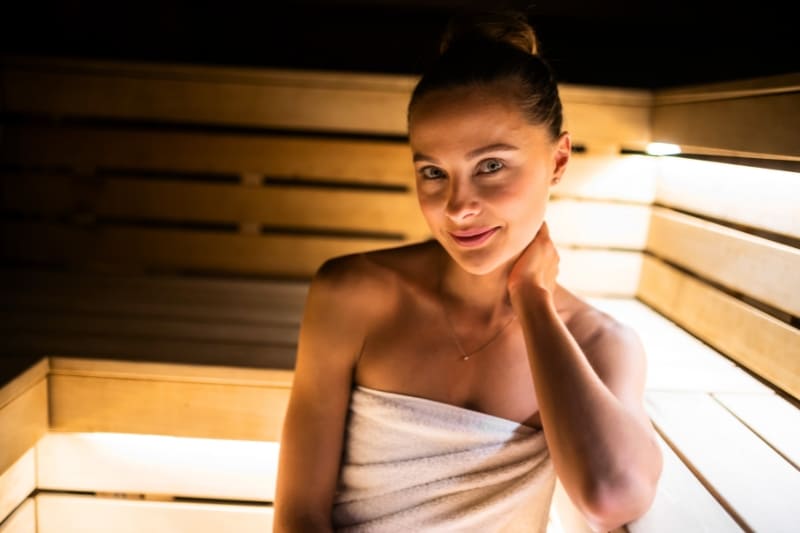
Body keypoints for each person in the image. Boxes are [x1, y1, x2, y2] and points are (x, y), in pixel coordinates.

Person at [274, 10, 663, 533]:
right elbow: (300, 515)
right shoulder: (352, 296)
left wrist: (532, 299)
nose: (457, 208)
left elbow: (611, 497)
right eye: (433, 173)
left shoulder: (597, 343)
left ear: (559, 159)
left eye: (491, 166)